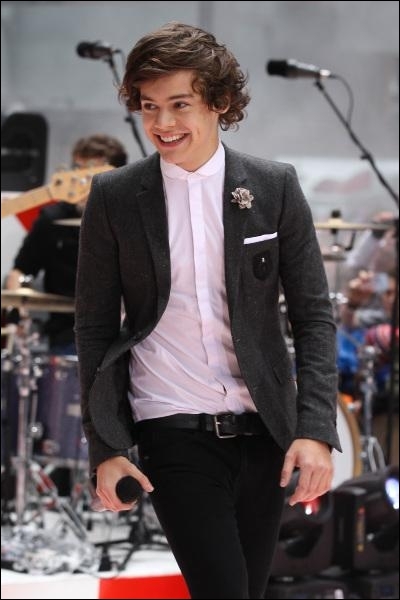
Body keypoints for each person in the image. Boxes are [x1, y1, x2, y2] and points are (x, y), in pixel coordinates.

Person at [75, 23, 341, 599]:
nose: (162, 123)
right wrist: (107, 448)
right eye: (149, 106)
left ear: (219, 102)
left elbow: (314, 316)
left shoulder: (274, 186)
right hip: (172, 427)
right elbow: (93, 327)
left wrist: (316, 429)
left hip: (265, 430)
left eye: (179, 104)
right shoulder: (114, 196)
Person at [5, 134, 128, 354]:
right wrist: (18, 313)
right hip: (68, 333)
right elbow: (20, 270)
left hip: (127, 333)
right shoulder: (52, 219)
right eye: (78, 170)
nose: (82, 182)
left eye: (92, 172)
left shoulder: (132, 219)